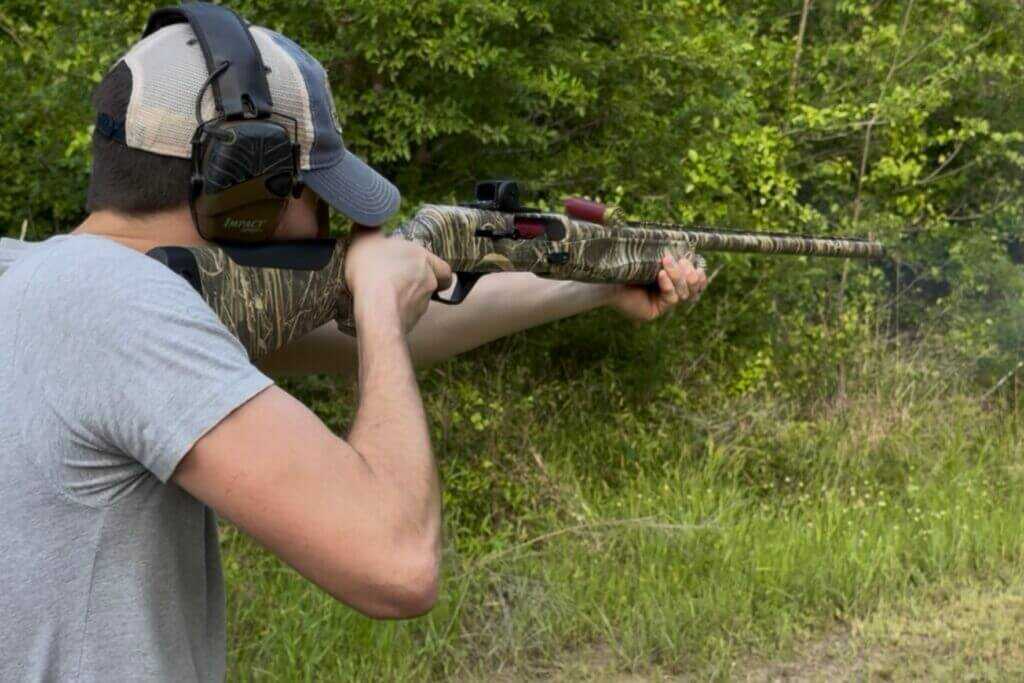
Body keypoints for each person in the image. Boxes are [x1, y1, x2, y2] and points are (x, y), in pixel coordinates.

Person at [0, 11, 708, 683]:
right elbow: (396, 561)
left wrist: (591, 284)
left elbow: (398, 323)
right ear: (242, 189)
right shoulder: (123, 310)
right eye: (317, 195)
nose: (332, 227)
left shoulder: (43, 283)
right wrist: (372, 299)